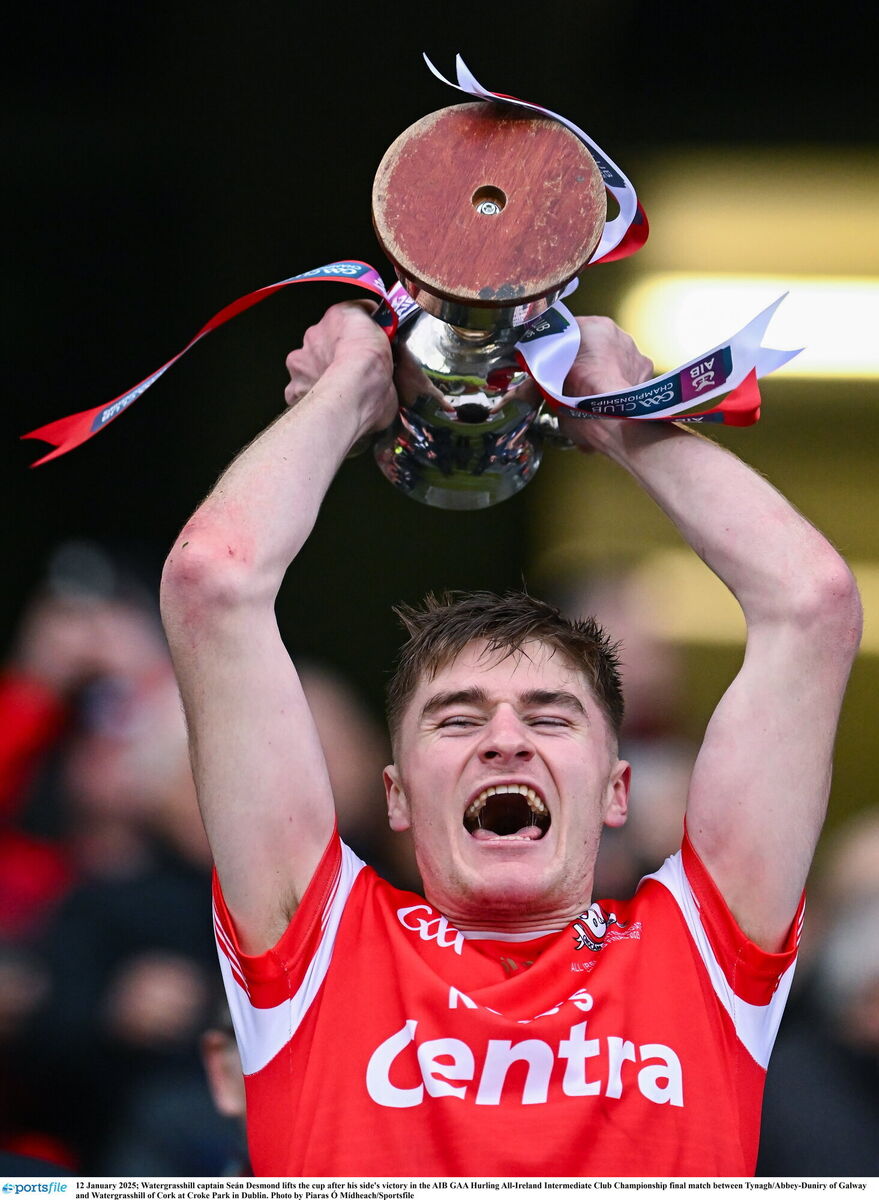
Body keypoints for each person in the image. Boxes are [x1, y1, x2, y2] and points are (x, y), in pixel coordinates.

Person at [159, 301, 862, 1176]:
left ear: (616, 787)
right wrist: (347, 391)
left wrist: (615, 413)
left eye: (549, 716)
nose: (504, 740)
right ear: (398, 796)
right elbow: (211, 583)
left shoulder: (701, 952)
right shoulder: (319, 941)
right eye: (456, 718)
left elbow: (812, 605)